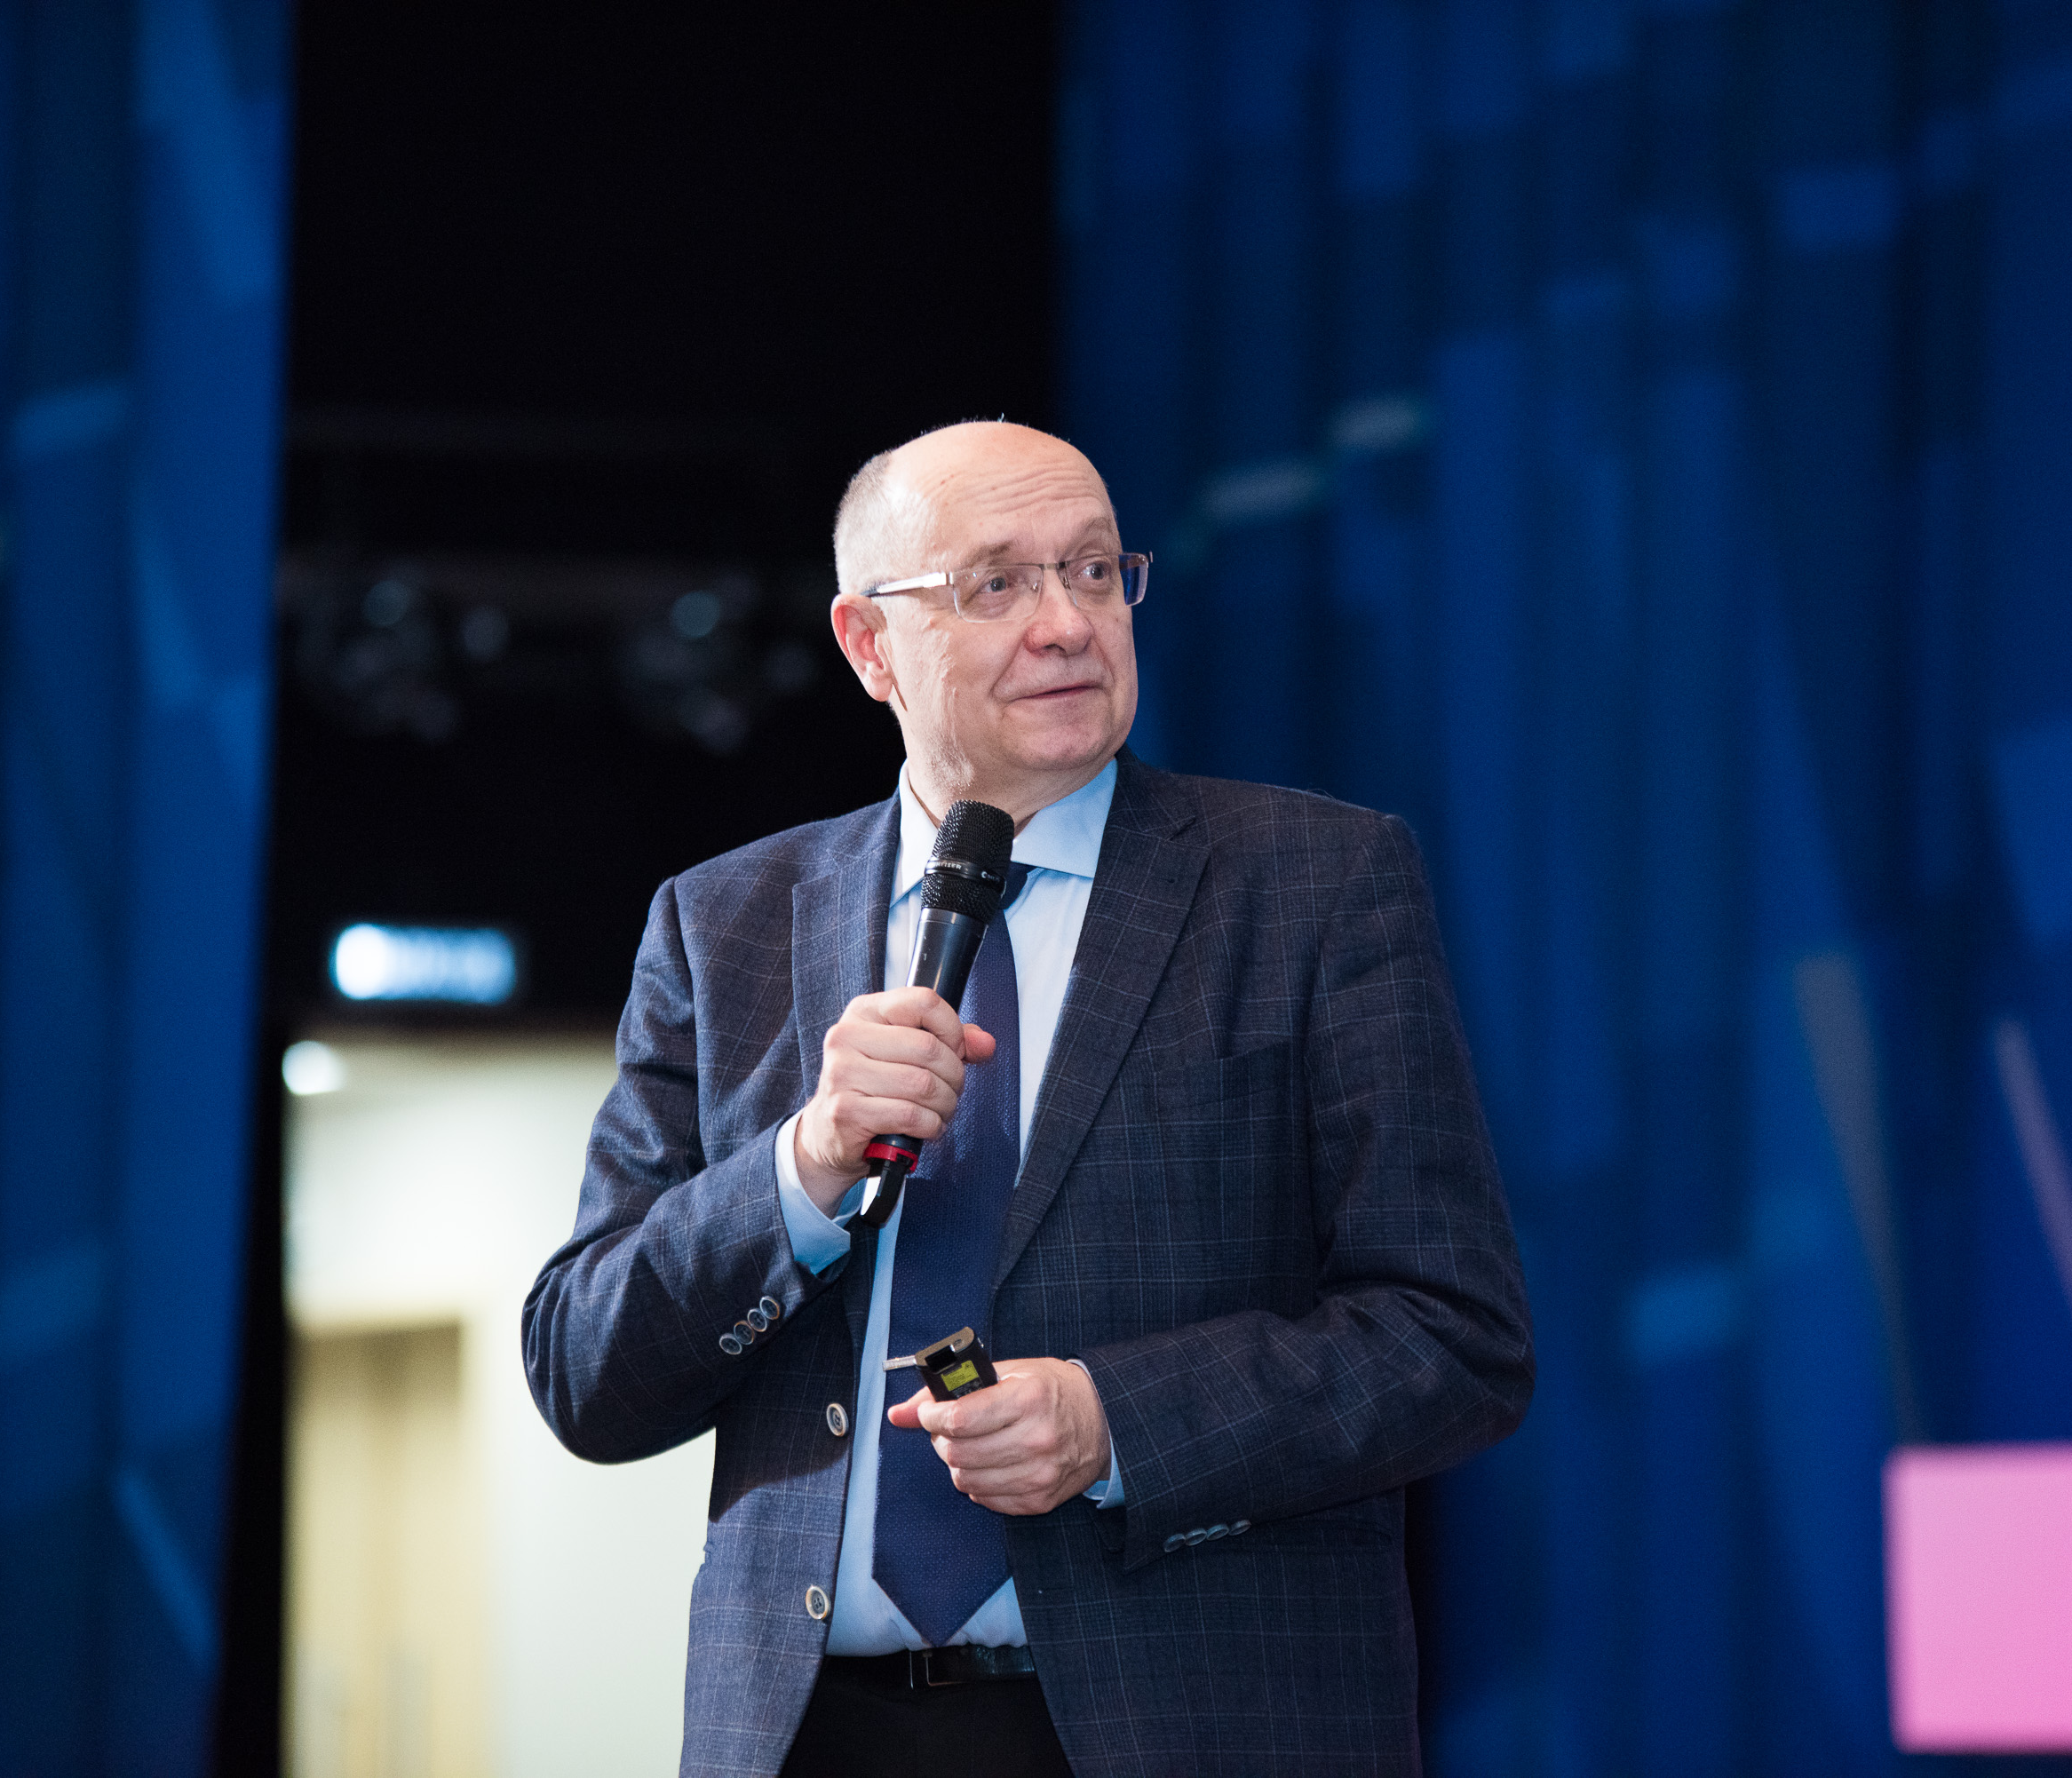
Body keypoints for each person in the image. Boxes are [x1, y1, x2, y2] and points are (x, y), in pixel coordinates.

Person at [523, 421, 1533, 1778]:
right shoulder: (727, 924)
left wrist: (1117, 1422)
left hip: (1202, 1729)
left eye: (1096, 570)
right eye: (997, 582)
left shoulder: (1316, 885)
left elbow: (1454, 1337)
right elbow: (586, 1369)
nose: (1066, 623)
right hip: (813, 1733)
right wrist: (803, 1167)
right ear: (870, 644)